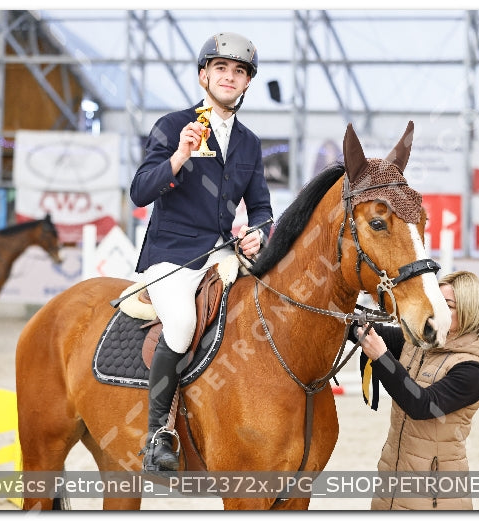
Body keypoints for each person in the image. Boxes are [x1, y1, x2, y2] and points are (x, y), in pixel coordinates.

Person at [130, 31, 272, 475]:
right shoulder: (173, 126)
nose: (230, 77)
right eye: (221, 68)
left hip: (223, 251)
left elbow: (263, 208)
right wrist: (178, 157)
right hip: (171, 253)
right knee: (184, 322)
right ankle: (158, 435)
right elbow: (139, 191)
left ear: (247, 84)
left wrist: (260, 235)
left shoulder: (249, 143)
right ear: (202, 76)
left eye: (239, 71)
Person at [353, 270, 479, 510]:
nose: (436, 309)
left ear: (469, 311)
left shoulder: (471, 370)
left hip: (435, 496)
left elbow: (422, 405)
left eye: (447, 305)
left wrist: (382, 358)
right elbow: (364, 331)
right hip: (393, 478)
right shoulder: (422, 341)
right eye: (437, 301)